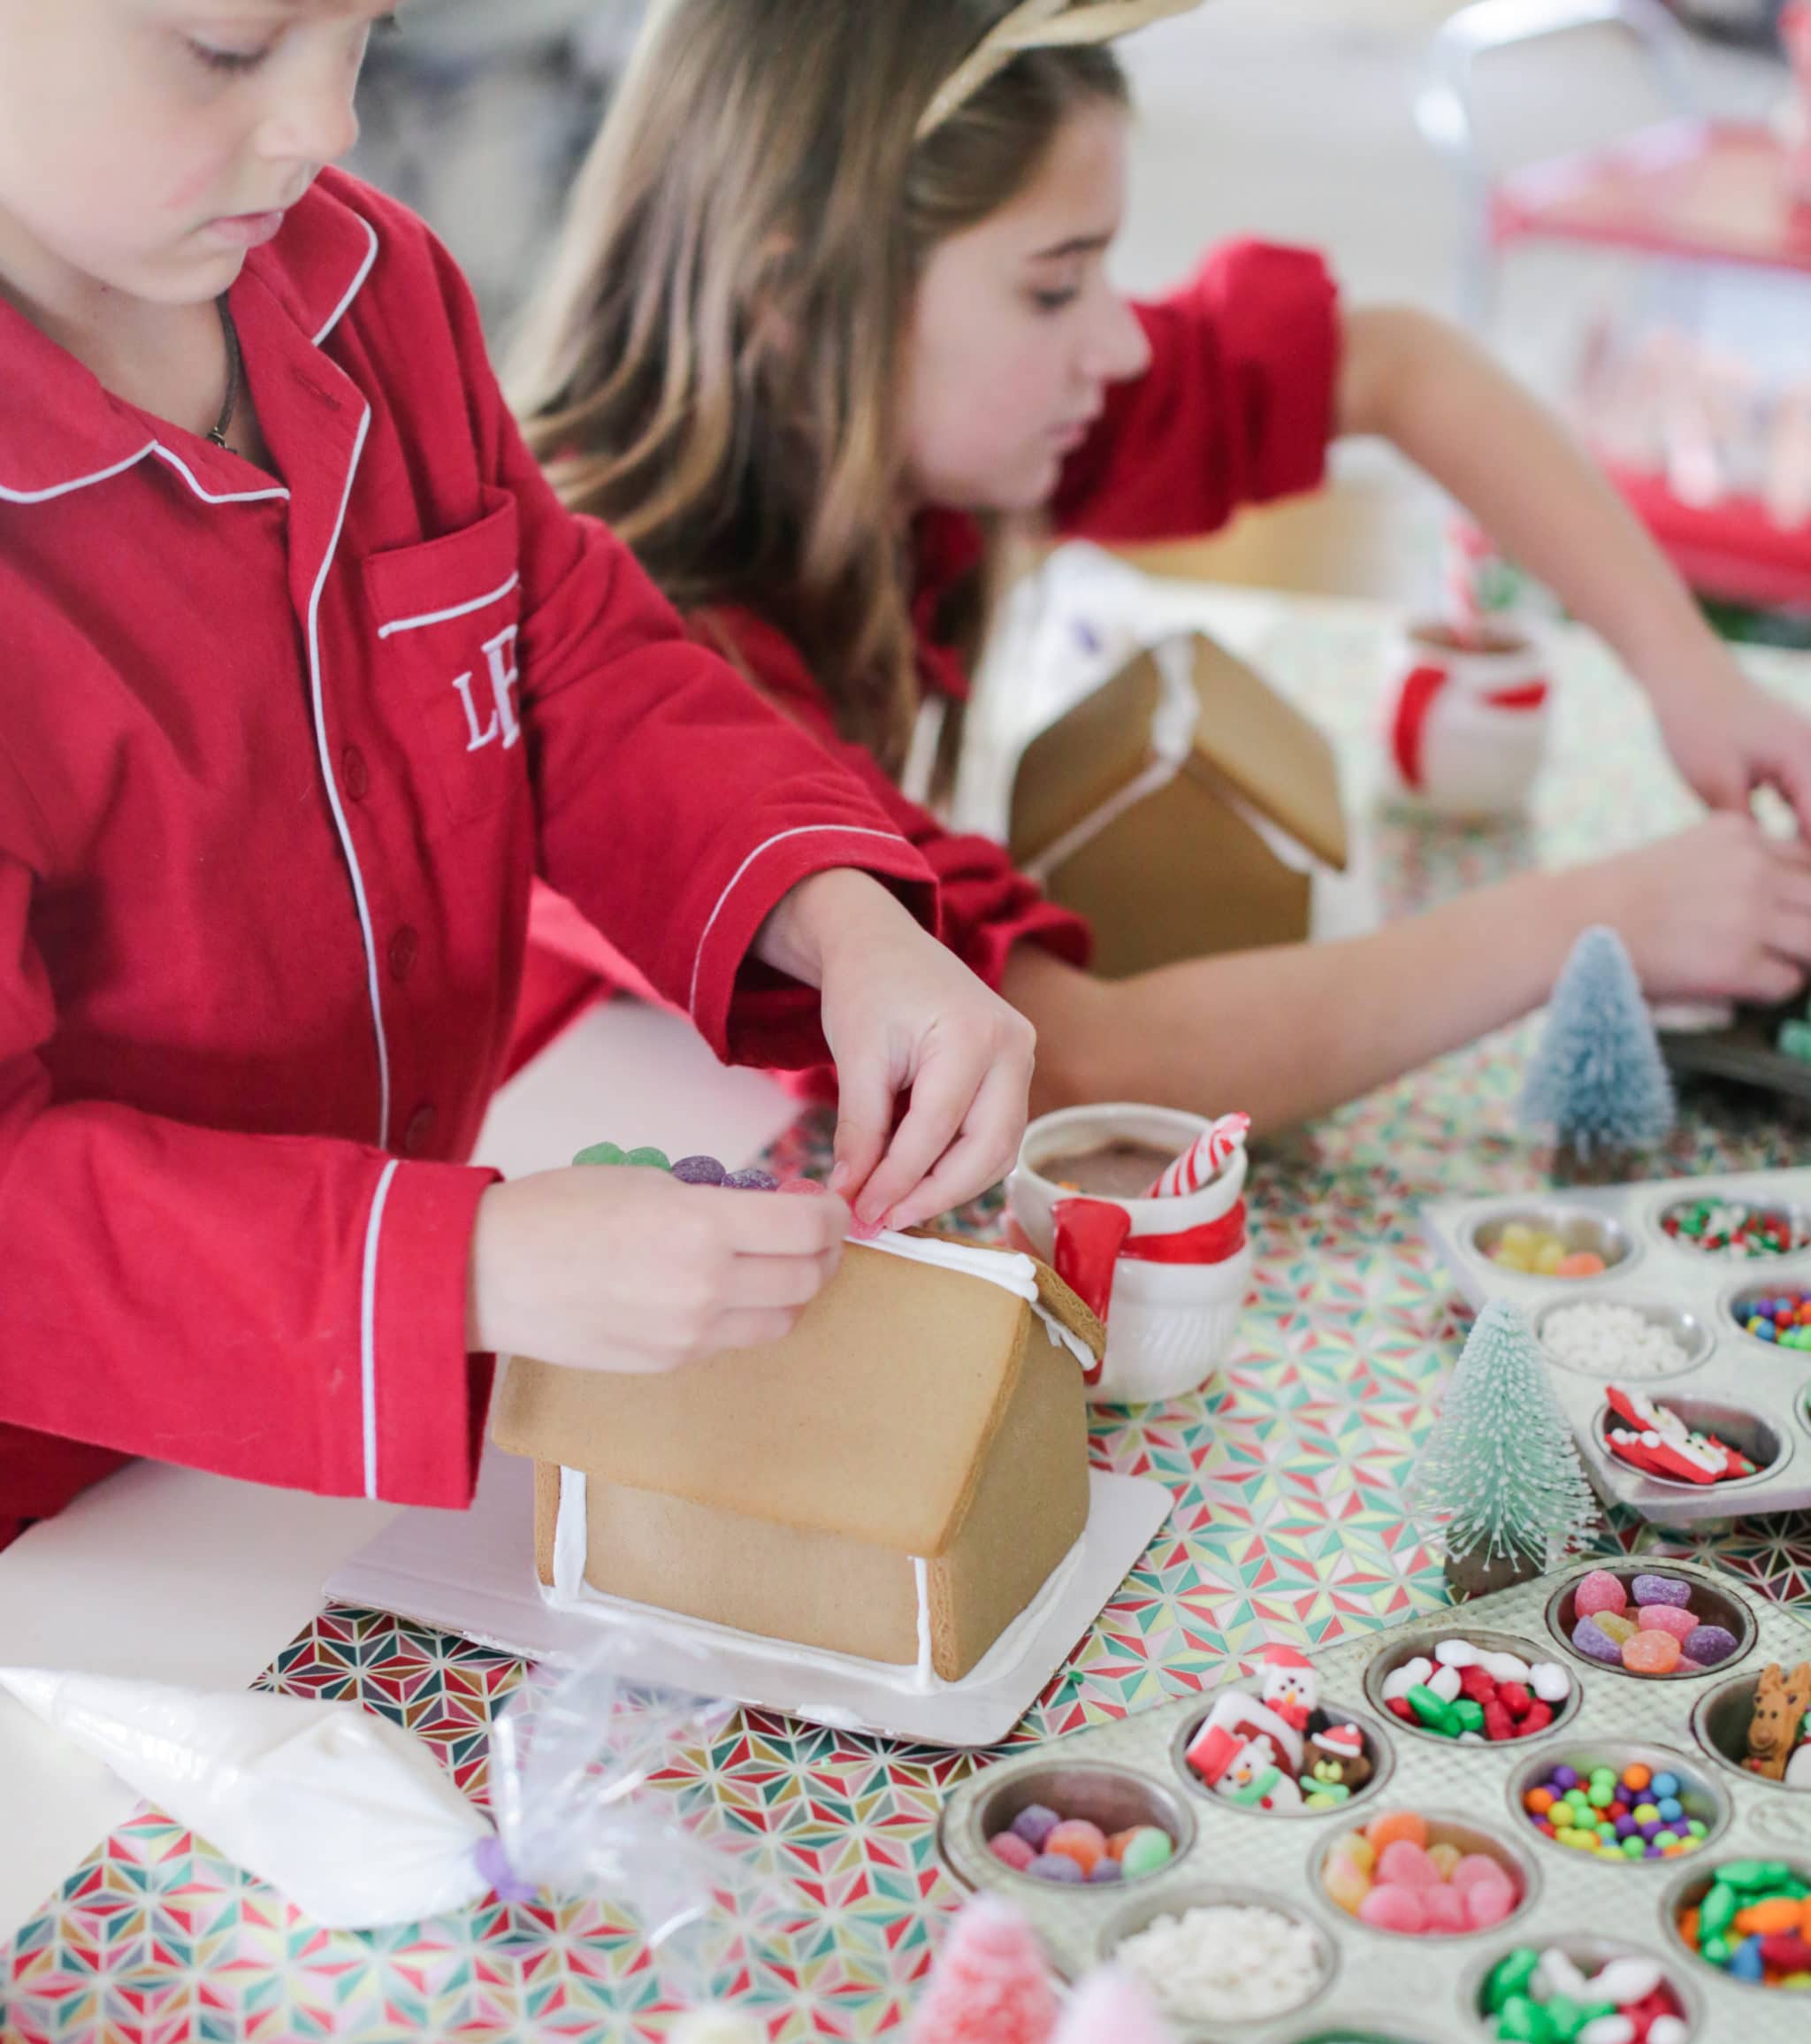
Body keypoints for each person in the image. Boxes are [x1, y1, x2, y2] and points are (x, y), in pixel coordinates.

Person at [0, 0, 1034, 1553]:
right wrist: (462, 1268)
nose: (326, 123)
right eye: (225, 48)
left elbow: (571, 663)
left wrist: (848, 922)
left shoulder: (371, 284)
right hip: (65, 1524)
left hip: (363, 1436)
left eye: (365, 29)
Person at [510, 0, 1811, 1135]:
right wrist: (1597, 921)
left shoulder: (903, 417)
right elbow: (1080, 1058)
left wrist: (1692, 670)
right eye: (1053, 286)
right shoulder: (644, 643)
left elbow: (1399, 364)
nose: (1121, 347)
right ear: (797, 302)